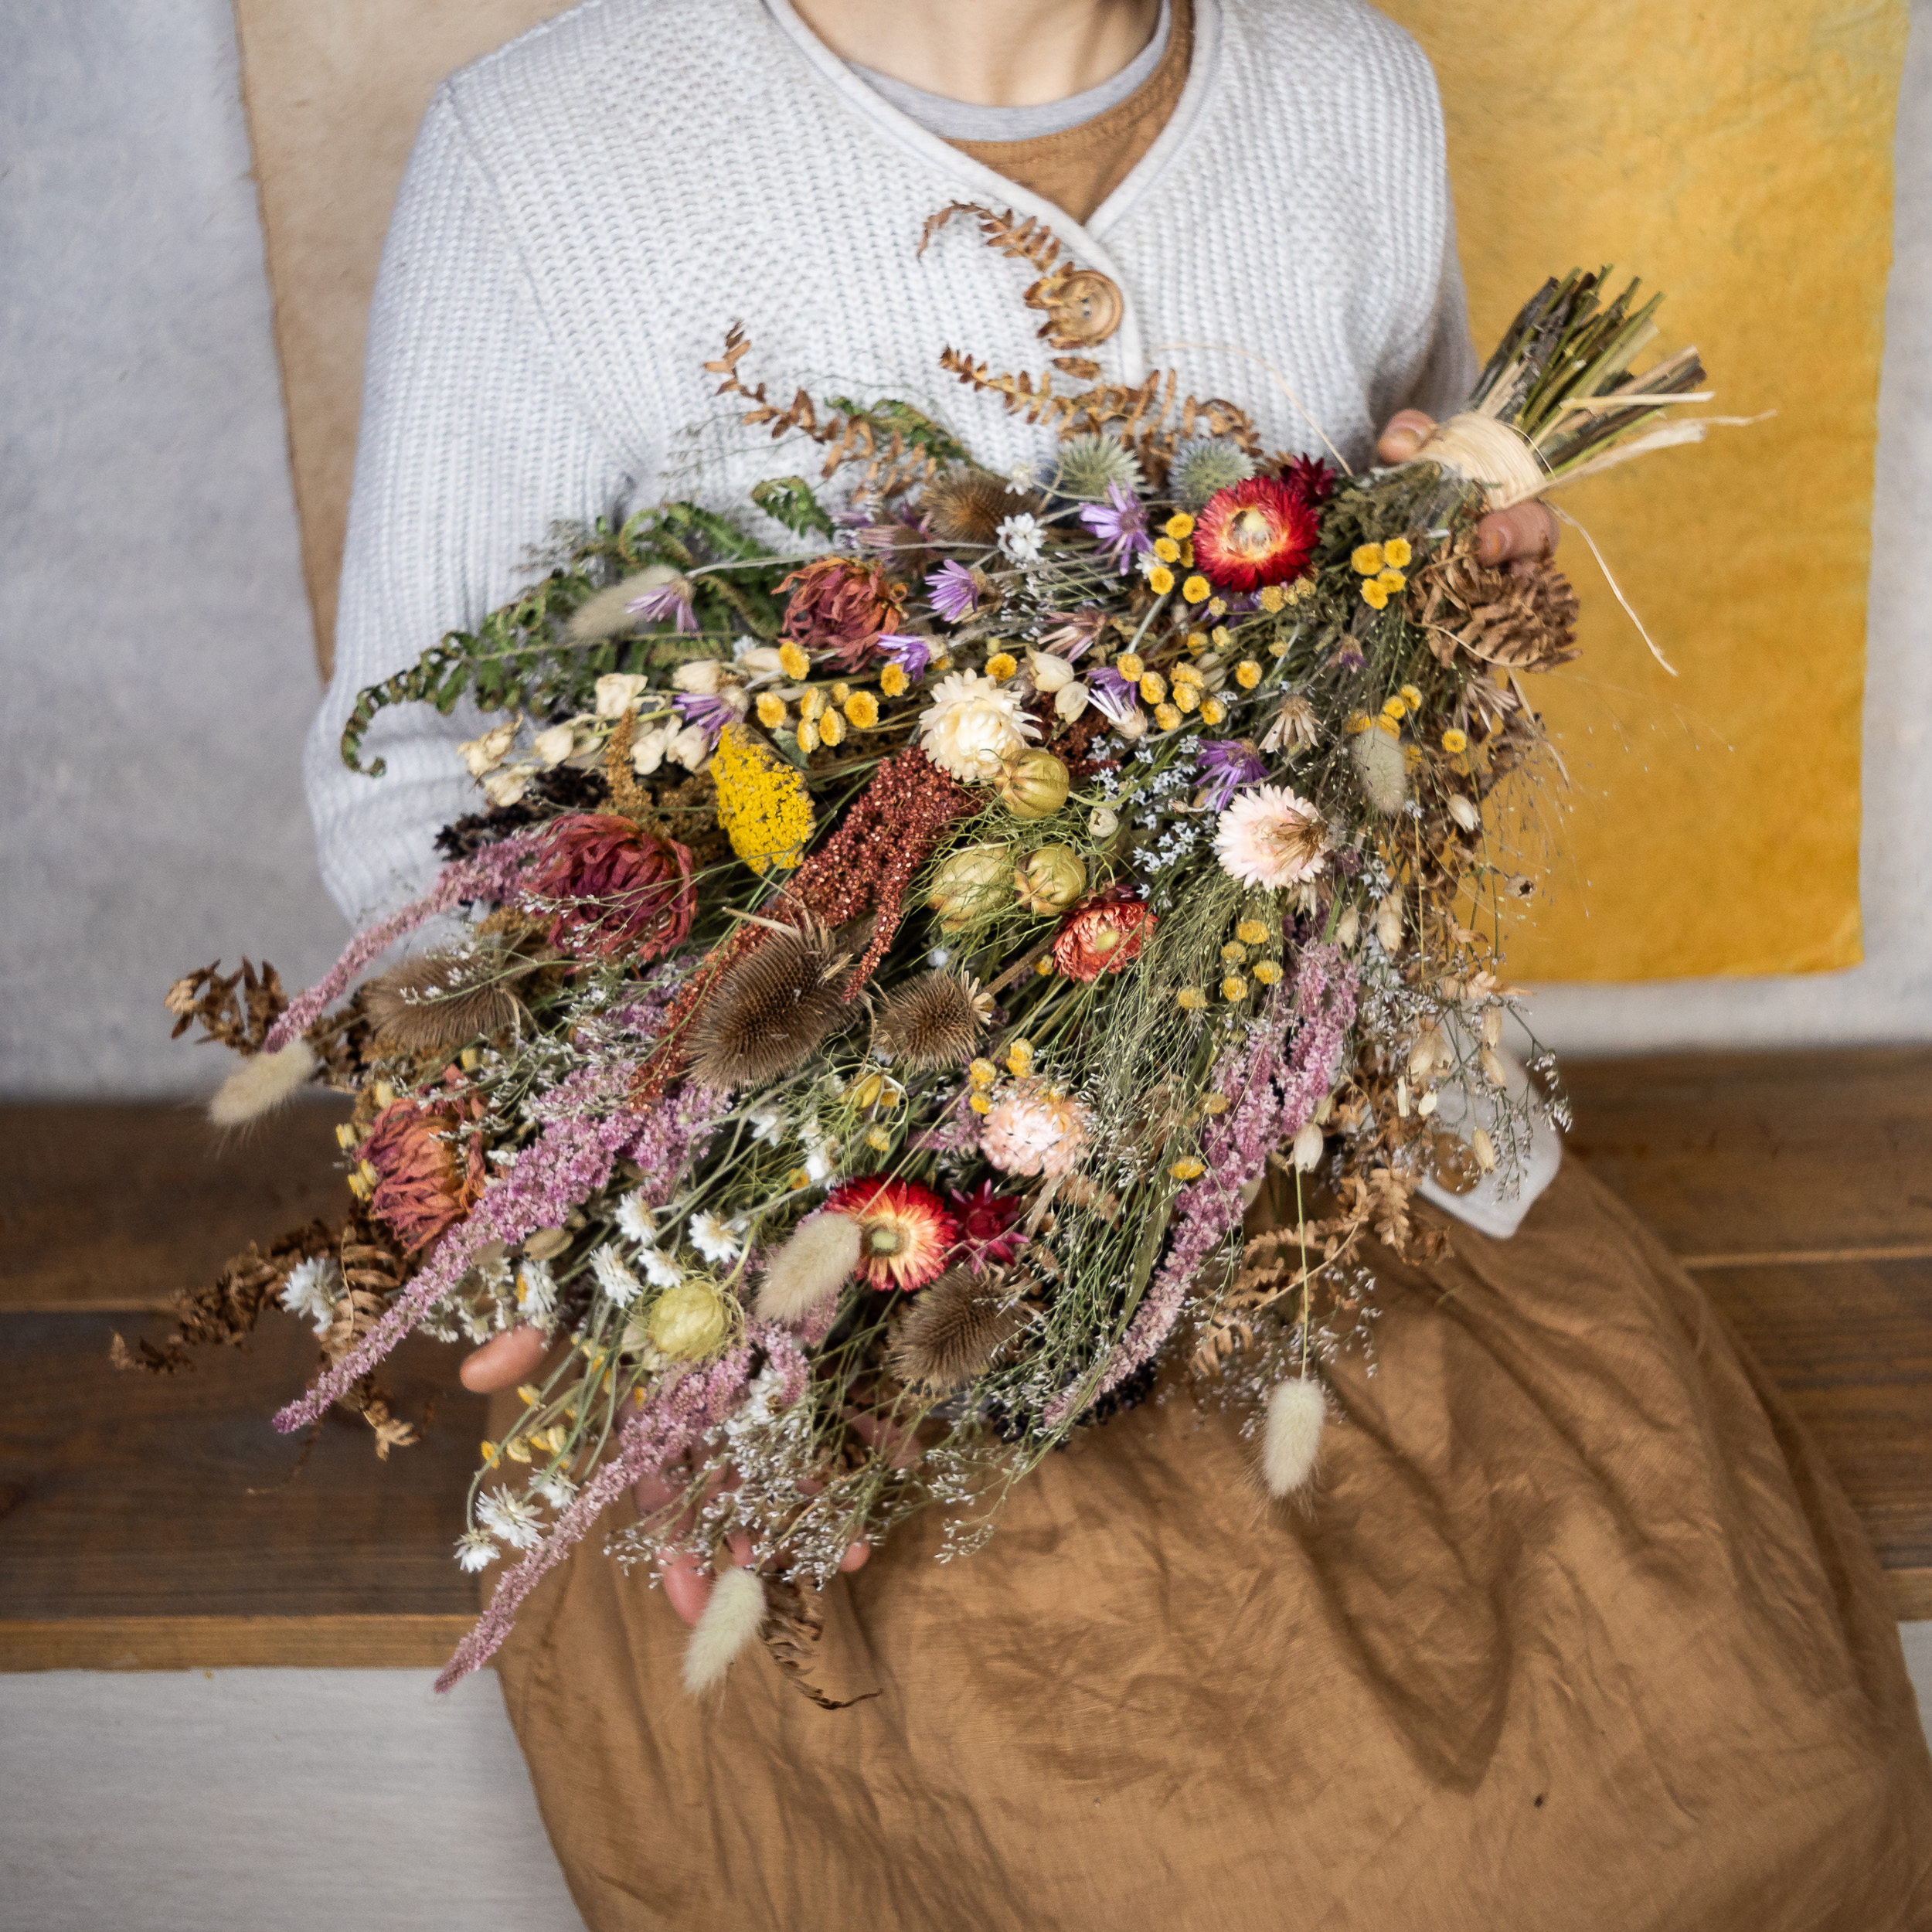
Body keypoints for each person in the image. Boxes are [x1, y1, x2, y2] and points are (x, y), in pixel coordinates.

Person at [307, 1, 1932, 1925]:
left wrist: (1455, 603)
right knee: (1205, 1857)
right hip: (862, 1257)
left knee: (1766, 1757)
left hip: (1316, 1153)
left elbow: (1385, 678)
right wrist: (662, 1210)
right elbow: (416, 787)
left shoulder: (1346, 94)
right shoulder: (554, 150)